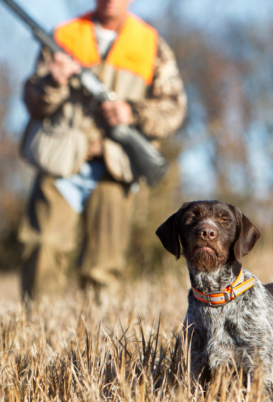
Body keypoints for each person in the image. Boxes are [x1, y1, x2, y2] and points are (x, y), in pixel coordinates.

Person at [19, 0, 186, 301]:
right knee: (42, 247)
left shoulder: (151, 44)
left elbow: (174, 108)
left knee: (104, 267)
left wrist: (132, 113)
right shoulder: (63, 35)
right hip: (61, 159)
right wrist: (52, 81)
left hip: (116, 165)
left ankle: (98, 340)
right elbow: (32, 102)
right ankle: (37, 326)